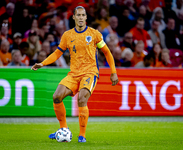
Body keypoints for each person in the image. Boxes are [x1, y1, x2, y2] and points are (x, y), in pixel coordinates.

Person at [31, 6, 118, 143]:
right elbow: (58, 53)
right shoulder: (67, 35)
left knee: (82, 99)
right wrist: (43, 63)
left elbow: (107, 52)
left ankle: (82, 135)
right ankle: (63, 129)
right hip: (73, 74)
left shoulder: (94, 34)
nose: (81, 18)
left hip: (90, 72)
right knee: (56, 96)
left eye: (83, 15)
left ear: (86, 17)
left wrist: (113, 72)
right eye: (78, 15)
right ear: (74, 17)